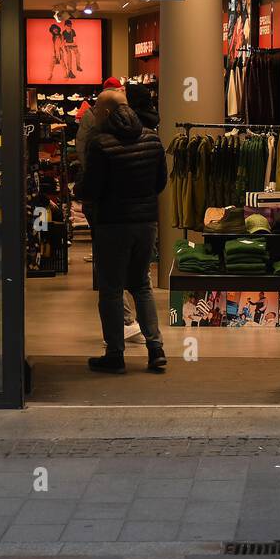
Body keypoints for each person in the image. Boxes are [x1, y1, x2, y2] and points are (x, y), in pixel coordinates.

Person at [81, 89, 168, 374]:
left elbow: (91, 188)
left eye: (96, 110)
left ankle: (115, 355)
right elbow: (160, 183)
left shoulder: (100, 143)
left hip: (112, 224)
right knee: (141, 284)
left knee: (111, 290)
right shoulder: (152, 139)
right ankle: (156, 350)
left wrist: (79, 190)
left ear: (106, 113)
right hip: (146, 223)